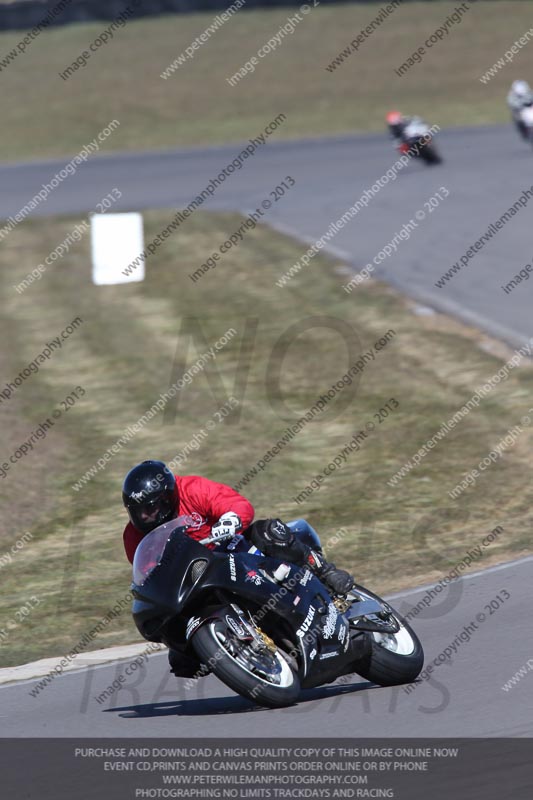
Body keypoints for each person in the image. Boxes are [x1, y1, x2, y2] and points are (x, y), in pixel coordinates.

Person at [122, 460, 355, 677]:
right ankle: (228, 646)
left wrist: (230, 520)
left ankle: (324, 572)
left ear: (168, 497)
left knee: (268, 531)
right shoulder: (133, 536)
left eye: (151, 508)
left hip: (230, 549)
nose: (145, 516)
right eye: (138, 510)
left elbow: (236, 504)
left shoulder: (192, 489)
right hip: (193, 578)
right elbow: (152, 575)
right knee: (182, 658)